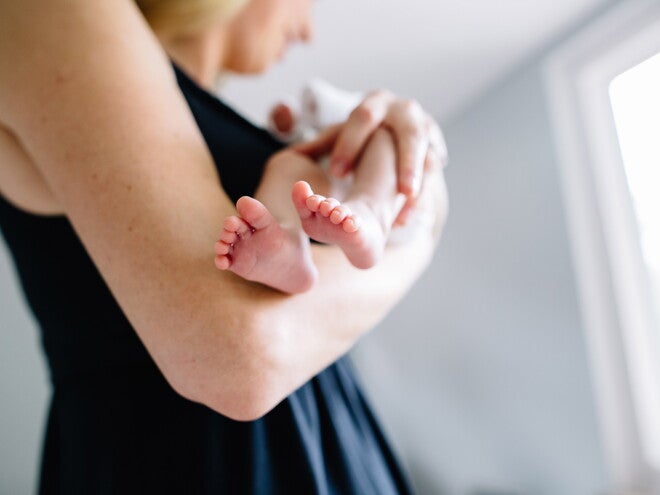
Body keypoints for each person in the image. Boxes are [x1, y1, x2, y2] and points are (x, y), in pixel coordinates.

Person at [0, 0, 448, 493]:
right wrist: (419, 240)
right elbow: (239, 362)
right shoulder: (48, 14)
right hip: (185, 457)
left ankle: (323, 240)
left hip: (311, 438)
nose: (309, 30)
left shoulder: (176, 108)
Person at [215, 79, 409, 294]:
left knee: (385, 134)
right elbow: (300, 133)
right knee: (286, 163)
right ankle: (288, 244)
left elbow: (358, 112)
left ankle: (371, 213)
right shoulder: (312, 139)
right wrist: (286, 124)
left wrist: (302, 112)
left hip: (392, 199)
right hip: (326, 187)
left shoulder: (364, 107)